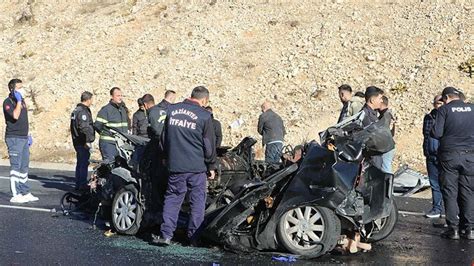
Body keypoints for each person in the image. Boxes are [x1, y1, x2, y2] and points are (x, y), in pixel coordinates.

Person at [153, 86, 216, 246]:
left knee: (173, 198)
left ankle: (166, 235)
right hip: (196, 168)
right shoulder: (204, 115)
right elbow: (208, 146)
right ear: (204, 100)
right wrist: (211, 165)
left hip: (176, 166)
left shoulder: (172, 110)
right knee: (197, 201)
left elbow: (163, 139)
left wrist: (164, 158)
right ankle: (194, 237)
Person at [431, 87, 474, 240]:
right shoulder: (472, 108)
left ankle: (453, 228)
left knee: (450, 191)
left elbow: (436, 133)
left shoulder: (445, 110)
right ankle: (469, 229)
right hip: (470, 156)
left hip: (449, 156)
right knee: (468, 192)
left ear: (447, 97)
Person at [3, 79, 38, 203]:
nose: (22, 90)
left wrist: (28, 134)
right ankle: (16, 194)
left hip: (23, 137)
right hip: (14, 138)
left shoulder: (22, 102)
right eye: (19, 88)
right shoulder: (8, 102)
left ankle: (25, 191)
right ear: (13, 89)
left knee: (24, 166)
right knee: (16, 166)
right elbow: (15, 116)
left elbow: (24, 119)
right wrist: (18, 100)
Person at [94, 87, 130, 161]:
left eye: (121, 95)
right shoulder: (106, 110)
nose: (120, 98)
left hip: (121, 143)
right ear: (112, 97)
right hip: (109, 144)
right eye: (118, 96)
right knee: (110, 166)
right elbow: (97, 125)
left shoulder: (123, 110)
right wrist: (107, 133)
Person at [423, 95, 444, 218]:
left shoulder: (447, 118)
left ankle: (453, 211)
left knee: (447, 184)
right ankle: (436, 208)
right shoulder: (428, 117)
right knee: (434, 184)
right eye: (437, 103)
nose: (439, 105)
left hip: (443, 156)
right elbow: (425, 135)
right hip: (430, 155)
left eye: (442, 103)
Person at [70, 91, 95, 191]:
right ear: (88, 99)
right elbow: (84, 128)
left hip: (77, 140)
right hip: (82, 142)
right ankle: (82, 185)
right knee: (83, 163)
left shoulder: (76, 110)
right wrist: (87, 141)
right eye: (91, 99)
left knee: (80, 163)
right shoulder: (82, 111)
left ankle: (79, 184)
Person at [379, 96, 396, 174]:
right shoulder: (388, 114)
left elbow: (386, 131)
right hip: (389, 145)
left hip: (386, 146)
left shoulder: (386, 116)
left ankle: (388, 184)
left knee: (385, 168)